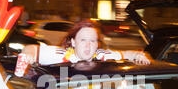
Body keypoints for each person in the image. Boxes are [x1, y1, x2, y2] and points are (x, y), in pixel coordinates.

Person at [19, 19, 151, 67]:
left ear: (97, 44)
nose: (88, 45)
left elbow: (126, 53)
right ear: (73, 42)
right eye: (83, 40)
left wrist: (138, 56)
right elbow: (31, 48)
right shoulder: (60, 54)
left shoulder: (101, 55)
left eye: (92, 40)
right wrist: (28, 56)